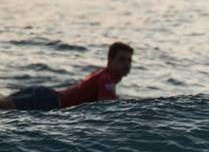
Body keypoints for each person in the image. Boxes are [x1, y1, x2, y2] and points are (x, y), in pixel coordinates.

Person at [0, 42, 134, 111]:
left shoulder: (102, 74)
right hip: (49, 101)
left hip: (45, 94)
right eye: (122, 59)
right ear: (110, 61)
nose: (126, 64)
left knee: (4, 105)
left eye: (129, 60)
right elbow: (107, 110)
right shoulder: (107, 81)